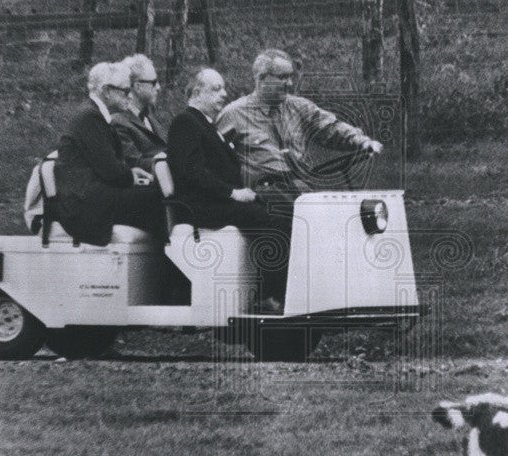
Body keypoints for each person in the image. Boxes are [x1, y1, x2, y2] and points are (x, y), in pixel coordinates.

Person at [167, 67, 289, 313]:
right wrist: (232, 193)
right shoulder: (186, 122)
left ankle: (275, 292)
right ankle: (269, 296)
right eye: (216, 89)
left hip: (216, 202)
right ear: (197, 92)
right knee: (273, 221)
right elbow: (191, 171)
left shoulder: (206, 125)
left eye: (223, 88)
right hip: (201, 207)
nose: (224, 94)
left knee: (282, 212)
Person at [216, 48, 384, 196]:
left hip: (301, 188)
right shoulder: (233, 115)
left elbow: (330, 128)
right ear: (261, 78)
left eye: (290, 77)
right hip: (263, 195)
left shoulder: (299, 107)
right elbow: (212, 156)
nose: (289, 84)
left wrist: (361, 141)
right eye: (282, 77)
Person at [53, 61, 168, 247]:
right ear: (106, 91)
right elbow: (111, 171)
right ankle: (166, 263)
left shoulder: (94, 115)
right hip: (85, 204)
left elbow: (111, 165)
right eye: (124, 91)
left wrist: (132, 173)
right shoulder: (90, 117)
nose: (129, 96)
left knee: (152, 195)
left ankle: (160, 258)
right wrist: (131, 176)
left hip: (92, 195)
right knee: (155, 198)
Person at [110, 53, 168, 171]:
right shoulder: (117, 122)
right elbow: (134, 162)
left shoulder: (150, 117)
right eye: (154, 82)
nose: (158, 87)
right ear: (137, 87)